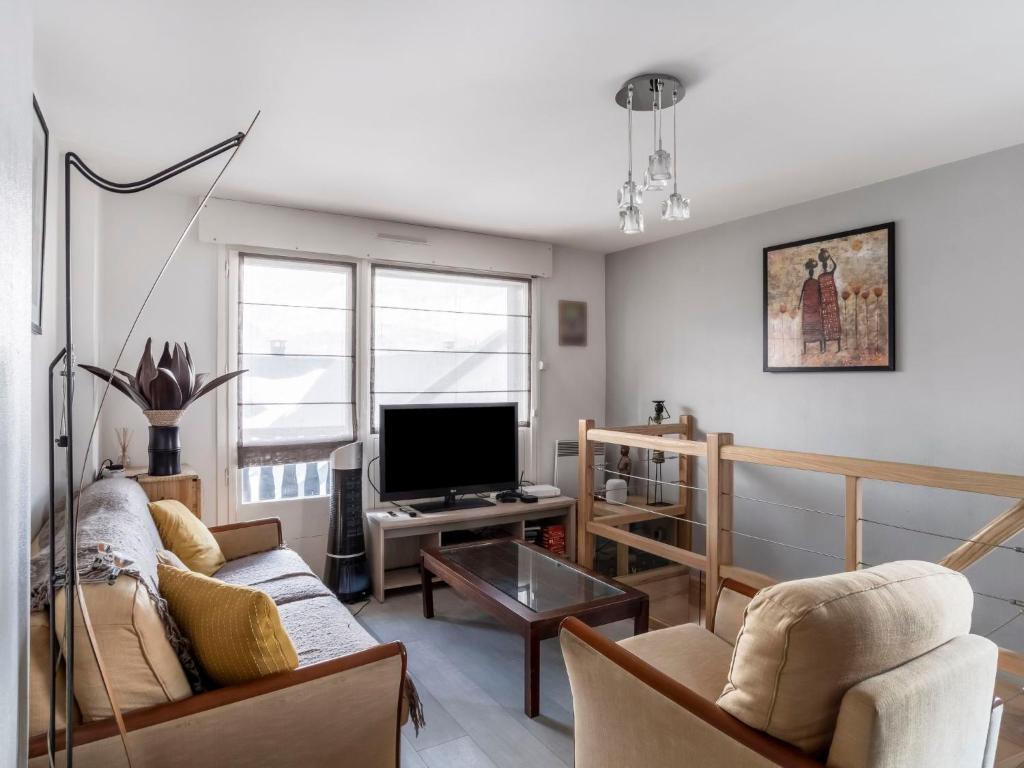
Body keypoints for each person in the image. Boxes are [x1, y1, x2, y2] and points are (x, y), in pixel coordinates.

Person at [817, 248, 841, 351]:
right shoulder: (829, 274)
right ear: (826, 266)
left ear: (822, 266)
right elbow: (835, 265)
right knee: (833, 324)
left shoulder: (820, 276)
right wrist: (830, 256)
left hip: (826, 303)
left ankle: (826, 348)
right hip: (830, 302)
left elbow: (819, 292)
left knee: (827, 325)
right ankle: (838, 347)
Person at [797, 258, 823, 353]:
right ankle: (809, 350)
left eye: (811, 272)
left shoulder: (810, 282)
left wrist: (820, 304)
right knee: (809, 328)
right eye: (811, 272)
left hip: (813, 308)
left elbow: (819, 294)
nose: (811, 273)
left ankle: (817, 349)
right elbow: (802, 294)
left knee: (815, 328)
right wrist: (799, 304)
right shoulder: (810, 282)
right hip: (810, 308)